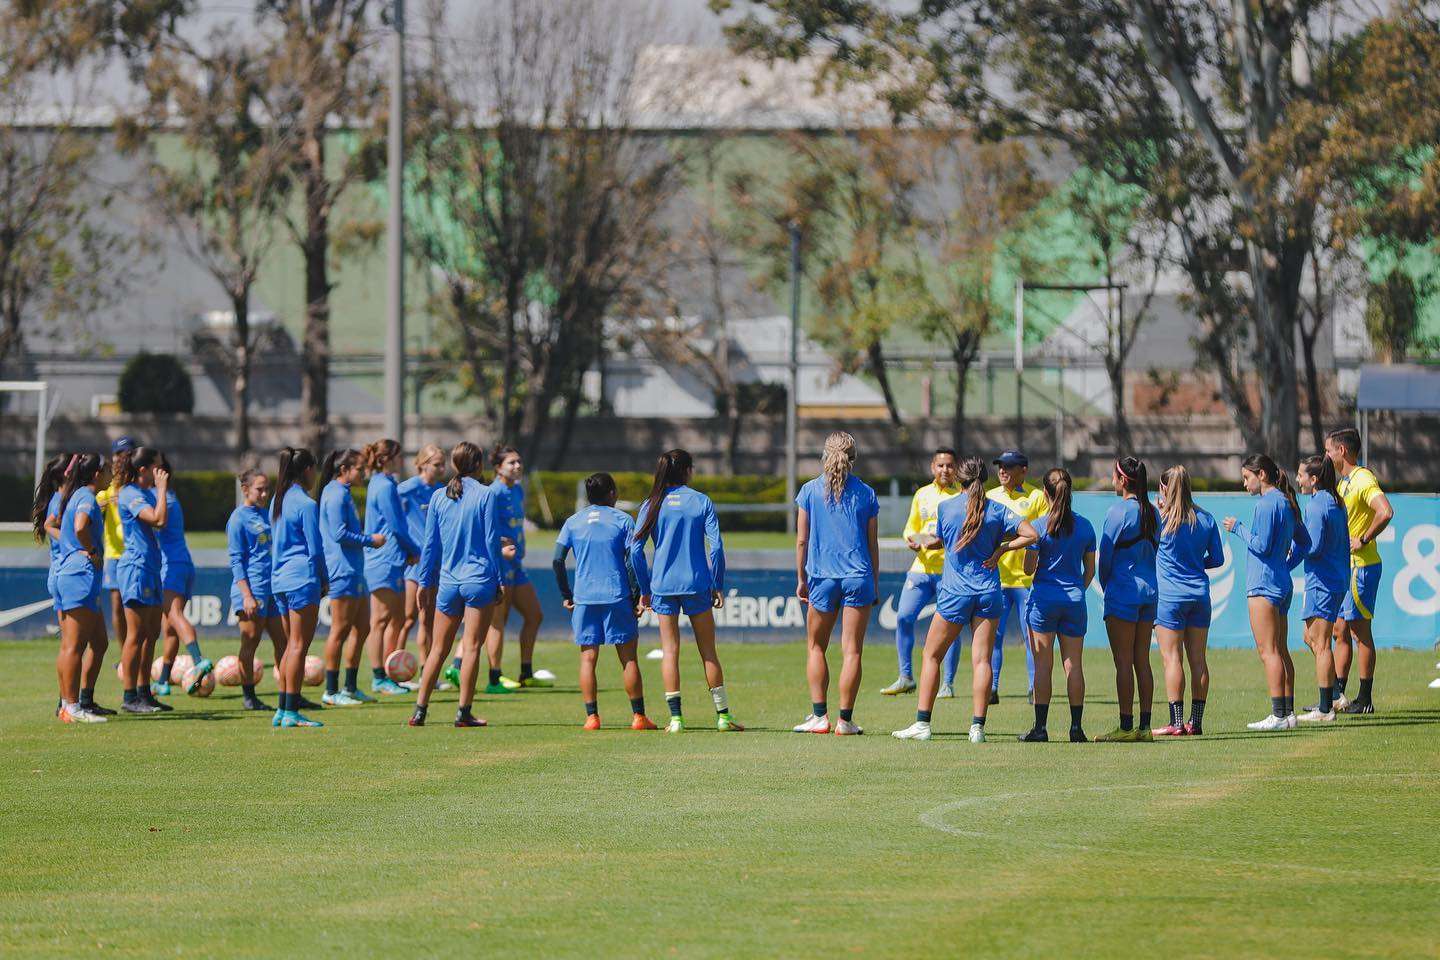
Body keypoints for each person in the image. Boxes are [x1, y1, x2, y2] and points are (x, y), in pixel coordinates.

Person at [892, 456, 1037, 744]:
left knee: (932, 655)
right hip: (987, 592)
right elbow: (1031, 535)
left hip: (956, 593)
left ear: (959, 479)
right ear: (984, 479)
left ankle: (922, 724)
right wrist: (1002, 550)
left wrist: (923, 544)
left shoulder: (947, 508)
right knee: (982, 660)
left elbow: (944, 540)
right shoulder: (997, 509)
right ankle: (977, 729)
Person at [629, 449, 744, 734]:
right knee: (708, 652)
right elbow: (715, 547)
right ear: (688, 471)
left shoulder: (651, 503)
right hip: (697, 584)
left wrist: (645, 589)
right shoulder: (701, 501)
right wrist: (717, 582)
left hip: (663, 587)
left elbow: (634, 551)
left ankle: (676, 720)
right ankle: (723, 717)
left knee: (670, 652)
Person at [409, 441, 510, 728]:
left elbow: (430, 546)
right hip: (478, 580)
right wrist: (500, 580)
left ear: (454, 465)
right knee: (472, 646)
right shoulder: (486, 494)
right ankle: (463, 712)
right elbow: (491, 541)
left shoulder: (440, 496)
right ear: (479, 466)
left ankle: (420, 710)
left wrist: (423, 582)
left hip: (449, 582)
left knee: (438, 649)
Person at [553, 472, 656, 731]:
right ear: (612, 493)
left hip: (585, 597)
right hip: (616, 595)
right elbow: (634, 556)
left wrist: (566, 594)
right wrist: (637, 594)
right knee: (628, 658)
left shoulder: (573, 521)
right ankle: (638, 717)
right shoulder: (623, 520)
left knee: (587, 659)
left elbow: (557, 559)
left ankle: (592, 717)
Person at [791, 432, 878, 736]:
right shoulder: (866, 493)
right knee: (852, 651)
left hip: (822, 577)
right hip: (859, 576)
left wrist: (801, 579)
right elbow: (872, 544)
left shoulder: (809, 491)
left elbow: (802, 540)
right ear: (854, 458)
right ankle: (845, 721)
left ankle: (819, 717)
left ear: (824, 455)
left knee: (816, 647)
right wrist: (874, 582)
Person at [1224, 454, 1309, 733]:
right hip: (1281, 583)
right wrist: (1285, 566)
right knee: (1281, 649)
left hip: (1263, 584)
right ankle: (1289, 712)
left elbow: (1259, 546)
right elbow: (1304, 543)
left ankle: (1278, 715)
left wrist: (1238, 528)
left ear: (1261, 474)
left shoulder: (1266, 504)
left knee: (1268, 651)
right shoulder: (1286, 502)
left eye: (1247, 478)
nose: (1244, 484)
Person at [1019, 468, 1094, 742]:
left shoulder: (1037, 527)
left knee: (1042, 666)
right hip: (1074, 600)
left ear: (1044, 493)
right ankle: (1076, 728)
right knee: (1073, 665)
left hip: (1044, 602)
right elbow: (1090, 570)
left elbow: (1028, 570)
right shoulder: (1085, 526)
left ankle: (1040, 729)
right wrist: (1076, 590)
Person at [1152, 465, 1225, 737]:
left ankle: (1176, 722)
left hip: (1169, 597)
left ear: (1163, 489)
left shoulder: (1161, 519)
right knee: (1198, 661)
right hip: (1199, 595)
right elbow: (1217, 559)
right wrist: (1195, 563)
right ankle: (1196, 722)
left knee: (1172, 659)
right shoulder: (1205, 519)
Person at [882, 449, 961, 697]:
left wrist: (943, 543)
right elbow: (911, 527)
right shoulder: (922, 494)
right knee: (904, 617)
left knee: (951, 627)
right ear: (932, 467)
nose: (945, 470)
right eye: (940, 465)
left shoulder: (961, 496)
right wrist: (911, 540)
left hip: (949, 571)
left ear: (956, 468)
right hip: (921, 569)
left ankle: (947, 683)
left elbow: (964, 536)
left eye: (949, 465)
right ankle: (905, 677)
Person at [1325, 427, 1393, 713]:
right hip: (1345, 568)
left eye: (1328, 451)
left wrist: (1363, 538)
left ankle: (1365, 699)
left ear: (1341, 451)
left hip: (1361, 567)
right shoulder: (1343, 483)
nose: (1326, 456)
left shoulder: (1363, 478)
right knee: (1339, 630)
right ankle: (1337, 696)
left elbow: (1385, 511)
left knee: (1359, 632)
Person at [475, 446, 549, 693]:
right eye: (511, 463)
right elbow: (483, 531)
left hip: (516, 565)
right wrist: (499, 548)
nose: (517, 466)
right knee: (498, 622)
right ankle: (494, 678)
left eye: (519, 462)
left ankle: (526, 673)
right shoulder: (492, 493)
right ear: (498, 468)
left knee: (534, 615)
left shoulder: (517, 489)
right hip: (499, 564)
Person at [1095, 456, 1159, 742]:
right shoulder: (1152, 512)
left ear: (1122, 480)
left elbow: (1104, 559)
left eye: (1113, 474)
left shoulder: (1118, 511)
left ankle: (1125, 726)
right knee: (1141, 661)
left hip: (1123, 592)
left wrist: (1108, 585)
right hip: (1149, 592)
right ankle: (1145, 728)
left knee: (1122, 661)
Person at [318, 448, 385, 707]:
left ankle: (350, 686)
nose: (364, 473)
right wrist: (370, 540)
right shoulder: (334, 495)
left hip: (355, 568)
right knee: (340, 629)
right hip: (342, 570)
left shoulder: (343, 493)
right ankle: (331, 690)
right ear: (344, 470)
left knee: (363, 627)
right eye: (359, 468)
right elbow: (338, 534)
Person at [986, 449, 1048, 704]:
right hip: (996, 577)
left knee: (1031, 637)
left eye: (1009, 467)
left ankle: (1034, 688)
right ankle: (991, 688)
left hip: (1026, 581)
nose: (1003, 471)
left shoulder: (1036, 497)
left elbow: (1041, 534)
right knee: (993, 636)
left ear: (1023, 471)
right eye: (1000, 466)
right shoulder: (989, 496)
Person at [271, 447, 327, 728]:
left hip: (279, 580)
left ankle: (282, 709)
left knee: (288, 646)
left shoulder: (276, 501)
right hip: (301, 578)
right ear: (307, 470)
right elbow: (315, 550)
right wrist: (325, 579)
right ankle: (292, 710)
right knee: (298, 646)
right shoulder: (306, 504)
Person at [51, 454, 110, 723]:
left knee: (96, 641)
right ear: (96, 474)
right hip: (79, 575)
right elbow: (80, 526)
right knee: (74, 646)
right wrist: (92, 549)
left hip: (67, 573)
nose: (111, 471)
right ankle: (72, 707)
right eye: (107, 468)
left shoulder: (75, 495)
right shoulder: (86, 497)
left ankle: (70, 703)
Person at [361, 438, 421, 695]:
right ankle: (378, 677)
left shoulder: (384, 483)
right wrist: (415, 550)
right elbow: (397, 526)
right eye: (397, 456)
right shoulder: (384, 486)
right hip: (382, 559)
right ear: (386, 459)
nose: (401, 460)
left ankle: (389, 673)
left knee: (395, 618)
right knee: (381, 620)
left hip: (392, 558)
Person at [114, 447, 170, 714]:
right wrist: (161, 489)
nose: (162, 472)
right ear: (143, 469)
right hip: (135, 569)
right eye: (157, 467)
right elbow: (158, 519)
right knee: (135, 635)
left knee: (151, 634)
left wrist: (157, 491)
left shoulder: (145, 493)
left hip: (151, 568)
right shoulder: (130, 494)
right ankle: (129, 696)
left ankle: (144, 693)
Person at [226, 468, 288, 712]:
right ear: (245, 490)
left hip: (273, 586)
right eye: (259, 489)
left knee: (283, 640)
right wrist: (247, 596)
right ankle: (249, 696)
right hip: (252, 588)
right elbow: (236, 560)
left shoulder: (268, 513)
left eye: (266, 489)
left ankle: (289, 694)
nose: (264, 494)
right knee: (250, 641)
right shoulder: (238, 519)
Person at [1294, 455, 1349, 723]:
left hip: (1323, 581)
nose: (1297, 479)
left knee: (1322, 643)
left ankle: (1326, 709)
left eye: (1301, 475)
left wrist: (1294, 538)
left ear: (1313, 479)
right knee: (1310, 637)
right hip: (1336, 578)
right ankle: (1335, 694)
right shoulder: (1336, 501)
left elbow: (1313, 547)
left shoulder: (1317, 505)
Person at [152, 454, 213, 697]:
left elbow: (156, 522)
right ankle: (164, 681)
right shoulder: (171, 497)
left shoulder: (163, 498)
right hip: (184, 563)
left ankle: (198, 659)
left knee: (175, 616)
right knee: (168, 628)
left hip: (173, 565)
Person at [93, 437, 139, 712]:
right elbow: (97, 511)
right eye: (120, 453)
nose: (124, 457)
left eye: (128, 452)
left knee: (132, 607)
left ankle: (131, 656)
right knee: (117, 608)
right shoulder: (106, 491)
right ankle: (124, 655)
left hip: (133, 554)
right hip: (113, 554)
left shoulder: (134, 488)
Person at [398, 444, 447, 685]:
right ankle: (396, 670)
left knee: (427, 618)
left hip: (435, 562)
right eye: (437, 464)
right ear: (423, 464)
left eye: (443, 464)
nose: (441, 469)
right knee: (407, 617)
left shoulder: (442, 491)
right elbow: (392, 518)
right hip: (414, 562)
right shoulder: (407, 489)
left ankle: (427, 672)